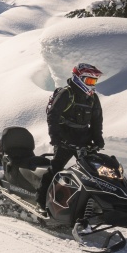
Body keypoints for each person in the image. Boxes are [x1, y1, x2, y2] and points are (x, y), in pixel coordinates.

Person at [36, 62, 105, 211]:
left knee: (93, 172)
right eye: (89, 80)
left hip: (84, 139)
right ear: (78, 78)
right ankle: (41, 202)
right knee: (56, 169)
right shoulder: (67, 93)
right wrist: (56, 138)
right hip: (65, 139)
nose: (92, 84)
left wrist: (98, 139)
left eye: (94, 81)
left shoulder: (93, 98)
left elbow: (96, 120)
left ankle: (95, 204)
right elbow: (53, 117)